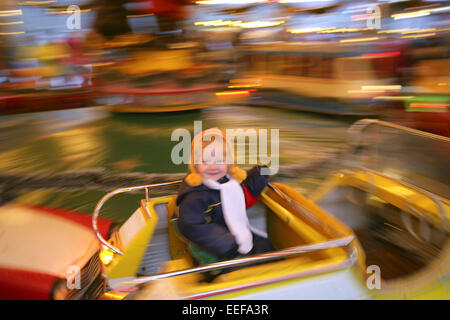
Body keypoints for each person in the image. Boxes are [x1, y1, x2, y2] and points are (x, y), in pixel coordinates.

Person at [175, 128, 276, 276]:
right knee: (242, 270)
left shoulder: (226, 183)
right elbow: (191, 225)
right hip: (214, 251)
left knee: (266, 247)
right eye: (205, 161)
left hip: (233, 237)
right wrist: (229, 244)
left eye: (220, 160)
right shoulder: (195, 195)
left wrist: (259, 176)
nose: (213, 166)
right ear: (195, 164)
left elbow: (239, 199)